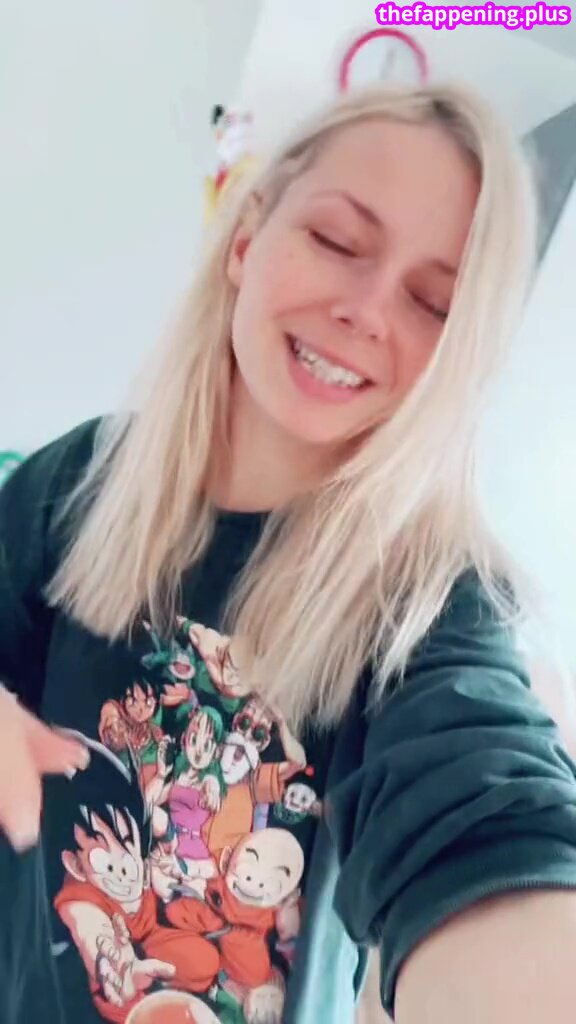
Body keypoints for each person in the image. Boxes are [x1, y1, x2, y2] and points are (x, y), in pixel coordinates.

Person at [1, 79, 576, 1024]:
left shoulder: (429, 602)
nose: (368, 310)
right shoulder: (77, 483)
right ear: (244, 239)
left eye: (433, 302)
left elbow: (483, 822)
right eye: (337, 242)